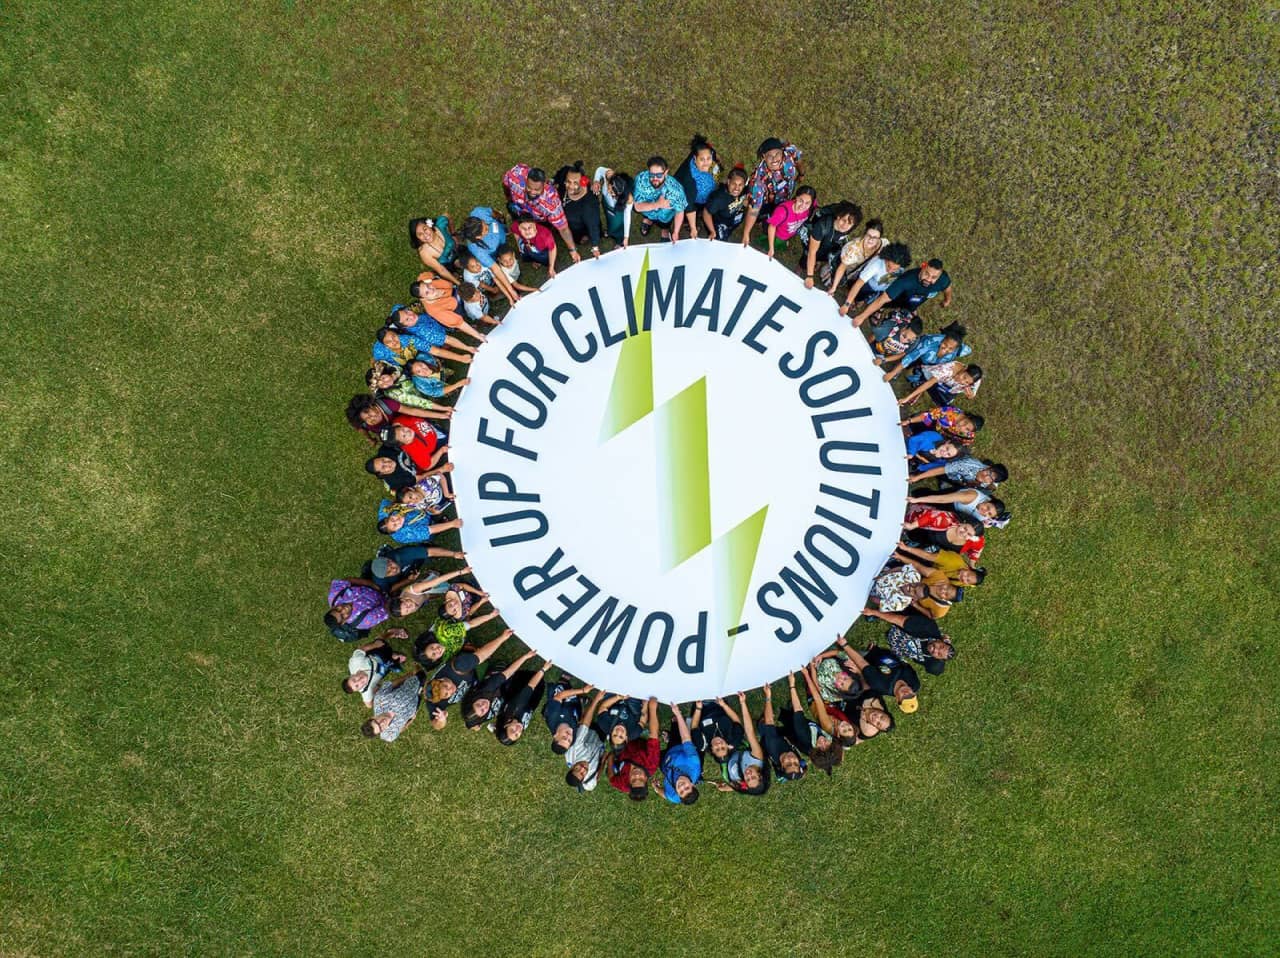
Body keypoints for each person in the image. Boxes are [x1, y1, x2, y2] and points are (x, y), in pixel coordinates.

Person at [424, 630, 513, 729]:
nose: (451, 690)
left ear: (441, 679)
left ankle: (470, 649)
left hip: (470, 668)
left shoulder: (459, 667)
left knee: (499, 670)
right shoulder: (433, 698)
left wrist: (502, 638)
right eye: (446, 695)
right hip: (471, 686)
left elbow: (483, 654)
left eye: (446, 686)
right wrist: (441, 720)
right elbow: (436, 726)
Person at [501, 163, 581, 263]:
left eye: (536, 189)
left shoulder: (551, 204)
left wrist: (573, 250)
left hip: (539, 220)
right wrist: (509, 198)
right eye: (529, 187)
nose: (532, 192)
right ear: (526, 180)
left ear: (544, 185)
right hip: (519, 210)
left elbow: (563, 229)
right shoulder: (515, 175)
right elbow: (506, 182)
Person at [850, 258, 953, 327]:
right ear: (923, 266)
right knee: (891, 302)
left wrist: (947, 300)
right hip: (902, 295)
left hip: (918, 299)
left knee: (912, 305)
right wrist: (862, 317)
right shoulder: (905, 281)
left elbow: (947, 288)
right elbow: (882, 299)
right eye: (927, 274)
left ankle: (911, 309)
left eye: (934, 277)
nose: (929, 279)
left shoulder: (943, 279)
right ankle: (880, 309)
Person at [741, 137, 803, 246]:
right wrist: (746, 233)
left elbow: (798, 160)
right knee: (767, 221)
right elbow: (754, 209)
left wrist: (801, 173)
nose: (774, 159)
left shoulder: (790, 152)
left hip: (786, 194)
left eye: (777, 154)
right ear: (764, 157)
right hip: (767, 202)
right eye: (770, 156)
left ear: (782, 152)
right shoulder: (758, 180)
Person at [778, 672, 843, 775]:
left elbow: (798, 710)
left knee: (788, 719)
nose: (822, 742)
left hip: (795, 730)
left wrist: (792, 685)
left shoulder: (805, 735)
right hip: (805, 725)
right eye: (827, 745)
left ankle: (781, 715)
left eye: (820, 747)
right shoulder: (832, 739)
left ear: (815, 750)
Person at [863, 607, 956, 676]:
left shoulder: (934, 664)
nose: (935, 650)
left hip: (900, 647)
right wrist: (874, 612)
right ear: (940, 641)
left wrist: (945, 644)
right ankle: (885, 610)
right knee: (892, 613)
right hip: (903, 618)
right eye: (940, 646)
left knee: (894, 667)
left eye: (939, 654)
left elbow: (938, 669)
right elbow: (898, 619)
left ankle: (873, 653)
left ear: (939, 659)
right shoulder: (927, 627)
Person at [462, 647, 539, 730]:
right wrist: (472, 725)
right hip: (503, 692)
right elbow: (472, 722)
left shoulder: (487, 688)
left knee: (511, 674)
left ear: (474, 701)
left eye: (479, 704)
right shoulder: (480, 717)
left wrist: (526, 656)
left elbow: (508, 672)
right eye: (483, 710)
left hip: (500, 674)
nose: (484, 705)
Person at [459, 206, 521, 303]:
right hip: (496, 253)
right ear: (479, 237)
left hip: (502, 236)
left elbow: (493, 213)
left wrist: (500, 217)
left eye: (485, 223)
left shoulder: (479, 212)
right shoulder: (477, 249)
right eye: (486, 230)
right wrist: (510, 290)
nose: (488, 226)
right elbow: (495, 268)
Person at [713, 692, 769, 795]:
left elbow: (742, 788)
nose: (748, 775)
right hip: (734, 745)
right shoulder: (757, 758)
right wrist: (743, 703)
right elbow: (749, 732)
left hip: (723, 756)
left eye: (748, 779)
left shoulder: (742, 783)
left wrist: (727, 788)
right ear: (760, 776)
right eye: (753, 777)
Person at [882, 322, 971, 384]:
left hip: (931, 364)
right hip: (920, 355)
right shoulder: (929, 342)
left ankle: (918, 373)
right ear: (943, 339)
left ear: (956, 348)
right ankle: (899, 368)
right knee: (911, 360)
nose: (946, 349)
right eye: (945, 344)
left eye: (951, 348)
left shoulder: (958, 350)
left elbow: (968, 350)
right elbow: (911, 357)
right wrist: (893, 373)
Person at [607, 697, 661, 800]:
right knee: (639, 712)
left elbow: (611, 779)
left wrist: (610, 759)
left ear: (629, 782)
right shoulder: (651, 765)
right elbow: (654, 735)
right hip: (637, 736)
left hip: (622, 743)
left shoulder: (623, 784)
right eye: (640, 779)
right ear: (646, 779)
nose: (636, 775)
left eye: (633, 780)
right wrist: (652, 708)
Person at [841, 241, 912, 317]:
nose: (890, 271)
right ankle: (857, 298)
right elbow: (859, 283)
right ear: (886, 258)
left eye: (895, 269)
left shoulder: (901, 266)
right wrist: (847, 304)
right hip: (867, 285)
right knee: (861, 293)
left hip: (881, 287)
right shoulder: (876, 264)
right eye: (888, 266)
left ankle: (864, 299)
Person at [841, 646, 920, 714]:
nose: (906, 693)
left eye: (904, 697)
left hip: (867, 659)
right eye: (911, 695)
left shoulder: (881, 685)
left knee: (842, 655)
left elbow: (862, 663)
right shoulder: (915, 684)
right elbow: (906, 665)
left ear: (897, 699)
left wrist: (845, 645)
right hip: (883, 653)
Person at [800, 201, 862, 288]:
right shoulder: (822, 226)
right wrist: (810, 276)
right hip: (813, 242)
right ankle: (800, 267)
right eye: (844, 220)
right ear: (838, 216)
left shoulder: (846, 229)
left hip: (827, 244)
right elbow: (812, 252)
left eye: (849, 224)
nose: (845, 226)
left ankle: (818, 260)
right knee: (806, 258)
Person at [410, 276, 489, 343]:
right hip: (453, 314)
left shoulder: (430, 284)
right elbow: (459, 323)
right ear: (423, 299)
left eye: (428, 286)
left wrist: (430, 281)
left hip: (455, 296)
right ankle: (461, 327)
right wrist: (478, 336)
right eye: (427, 293)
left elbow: (449, 285)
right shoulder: (436, 311)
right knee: (461, 319)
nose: (431, 289)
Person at [672, 134, 720, 240]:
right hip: (688, 195)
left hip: (703, 190)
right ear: (695, 158)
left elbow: (713, 157)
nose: (706, 163)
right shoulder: (689, 181)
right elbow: (689, 206)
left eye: (709, 158)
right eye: (702, 160)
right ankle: (687, 222)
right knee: (689, 206)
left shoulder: (708, 154)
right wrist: (693, 228)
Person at [364, 363, 457, 416]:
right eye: (381, 385)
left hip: (423, 384)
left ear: (385, 373)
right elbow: (419, 402)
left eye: (383, 378)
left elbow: (400, 369)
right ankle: (443, 390)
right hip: (423, 399)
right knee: (418, 380)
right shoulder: (395, 393)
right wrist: (443, 408)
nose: (386, 382)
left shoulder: (395, 371)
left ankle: (441, 375)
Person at [495, 660, 552, 745]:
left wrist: (543, 669)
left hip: (526, 680)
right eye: (517, 735)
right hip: (530, 696)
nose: (517, 730)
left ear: (506, 725)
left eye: (512, 730)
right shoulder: (513, 722)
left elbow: (531, 685)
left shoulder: (515, 709)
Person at [361, 669, 426, 743]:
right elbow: (400, 730)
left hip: (412, 684)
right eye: (381, 728)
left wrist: (410, 674)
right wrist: (411, 720)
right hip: (415, 705)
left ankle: (417, 668)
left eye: (377, 722)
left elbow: (394, 684)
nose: (382, 723)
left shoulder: (380, 698)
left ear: (373, 717)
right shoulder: (389, 735)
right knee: (424, 691)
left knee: (422, 673)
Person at [631, 156, 688, 240]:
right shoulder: (641, 180)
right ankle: (648, 220)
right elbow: (637, 207)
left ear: (666, 172)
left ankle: (665, 230)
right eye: (652, 174)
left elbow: (680, 211)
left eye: (659, 175)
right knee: (646, 214)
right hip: (647, 211)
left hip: (664, 217)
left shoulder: (676, 190)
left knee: (665, 223)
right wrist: (658, 204)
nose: (655, 178)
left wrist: (676, 232)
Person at [368, 544, 462, 593]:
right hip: (404, 577)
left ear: (389, 559)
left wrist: (454, 554)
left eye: (391, 565)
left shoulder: (401, 555)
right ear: (384, 577)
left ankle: (423, 551)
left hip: (411, 564)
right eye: (389, 572)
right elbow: (390, 589)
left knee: (425, 551)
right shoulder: (379, 580)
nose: (393, 570)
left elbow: (429, 552)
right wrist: (408, 581)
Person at [657, 702, 701, 804]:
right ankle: (672, 733)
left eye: (681, 791)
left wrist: (656, 788)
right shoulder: (693, 762)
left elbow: (666, 795)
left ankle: (669, 738)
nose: (681, 786)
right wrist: (678, 713)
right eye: (687, 788)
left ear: (677, 793)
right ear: (692, 784)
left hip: (665, 764)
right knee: (675, 720)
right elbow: (685, 738)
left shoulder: (674, 796)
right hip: (678, 747)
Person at [555, 162, 603, 257]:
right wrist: (553, 181)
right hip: (563, 220)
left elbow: (593, 225)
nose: (570, 186)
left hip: (577, 228)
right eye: (568, 181)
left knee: (580, 237)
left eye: (575, 183)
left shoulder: (589, 204)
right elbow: (561, 172)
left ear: (583, 182)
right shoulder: (565, 176)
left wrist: (595, 247)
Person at [759, 684, 806, 781]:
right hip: (784, 737)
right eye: (796, 763)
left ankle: (760, 721)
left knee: (765, 721)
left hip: (770, 735)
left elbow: (769, 721)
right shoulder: (797, 759)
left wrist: (768, 696)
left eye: (788, 764)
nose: (792, 759)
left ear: (782, 765)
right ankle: (787, 713)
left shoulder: (773, 746)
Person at [828, 218, 886, 294]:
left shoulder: (883, 244)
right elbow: (842, 267)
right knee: (837, 281)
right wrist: (834, 287)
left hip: (862, 270)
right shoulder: (853, 248)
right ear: (864, 234)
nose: (871, 240)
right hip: (849, 269)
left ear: (879, 238)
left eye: (875, 237)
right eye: (868, 235)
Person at [343, 637, 407, 706]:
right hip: (381, 670)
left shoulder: (356, 661)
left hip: (375, 655)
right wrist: (379, 695)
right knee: (395, 667)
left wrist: (375, 645)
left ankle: (390, 634)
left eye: (354, 679)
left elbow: (362, 649)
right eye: (357, 686)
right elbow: (369, 705)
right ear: (359, 689)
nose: (359, 680)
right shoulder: (366, 691)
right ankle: (392, 659)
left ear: (352, 675)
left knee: (381, 642)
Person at [565, 690, 607, 792]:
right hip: (599, 740)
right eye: (582, 774)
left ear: (571, 767)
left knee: (582, 722)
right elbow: (597, 776)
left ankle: (582, 705)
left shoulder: (574, 750)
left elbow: (585, 724)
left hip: (590, 730)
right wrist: (603, 760)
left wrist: (596, 699)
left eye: (577, 769)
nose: (583, 769)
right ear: (584, 779)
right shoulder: (590, 784)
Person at [910, 489, 1009, 529]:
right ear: (988, 500)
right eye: (987, 507)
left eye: (989, 514)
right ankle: (915, 493)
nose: (985, 512)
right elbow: (942, 499)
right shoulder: (971, 496)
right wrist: (917, 499)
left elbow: (987, 522)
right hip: (953, 501)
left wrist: (986, 523)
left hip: (959, 513)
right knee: (932, 499)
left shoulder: (987, 517)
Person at [376, 498, 460, 545]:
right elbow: (431, 529)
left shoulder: (385, 510)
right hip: (424, 524)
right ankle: (442, 521)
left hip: (418, 508)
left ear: (389, 516)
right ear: (396, 531)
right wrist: (452, 524)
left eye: (392, 519)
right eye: (395, 525)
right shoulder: (405, 534)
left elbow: (388, 501)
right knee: (432, 532)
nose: (397, 521)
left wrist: (402, 502)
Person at [899, 361, 983, 407]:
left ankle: (922, 387)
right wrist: (907, 398)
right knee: (925, 381)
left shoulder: (975, 380)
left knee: (943, 405)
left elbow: (972, 395)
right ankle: (920, 381)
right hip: (933, 378)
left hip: (947, 389)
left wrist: (970, 396)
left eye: (967, 382)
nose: (962, 382)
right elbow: (930, 382)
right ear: (965, 368)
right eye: (964, 377)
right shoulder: (948, 369)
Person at [764, 185, 816, 260]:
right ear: (796, 198)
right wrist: (771, 248)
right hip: (777, 236)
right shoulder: (782, 211)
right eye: (800, 201)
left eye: (807, 203)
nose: (803, 206)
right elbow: (772, 226)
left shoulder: (811, 207)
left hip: (789, 233)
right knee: (769, 245)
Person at [544, 676, 593, 754]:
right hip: (572, 709)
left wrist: (583, 690)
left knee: (559, 689)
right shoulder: (572, 739)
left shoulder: (552, 716)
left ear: (555, 735)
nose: (569, 735)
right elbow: (581, 721)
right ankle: (579, 699)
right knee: (577, 714)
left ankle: (563, 680)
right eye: (569, 740)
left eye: (564, 737)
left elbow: (559, 696)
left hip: (560, 698)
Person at [701, 166, 750, 241]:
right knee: (719, 241)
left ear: (744, 185)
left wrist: (746, 202)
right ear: (728, 182)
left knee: (727, 233)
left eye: (740, 185)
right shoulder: (719, 198)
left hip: (733, 218)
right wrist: (712, 231)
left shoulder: (746, 190)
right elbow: (706, 213)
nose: (736, 188)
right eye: (734, 184)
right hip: (718, 223)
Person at [592, 167, 634, 248]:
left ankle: (619, 240)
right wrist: (596, 181)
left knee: (617, 225)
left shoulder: (628, 199)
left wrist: (626, 237)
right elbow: (599, 170)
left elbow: (627, 217)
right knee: (609, 219)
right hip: (606, 204)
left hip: (618, 211)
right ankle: (610, 231)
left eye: (612, 193)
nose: (608, 191)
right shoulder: (609, 175)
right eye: (609, 187)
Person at [408, 216, 458, 284]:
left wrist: (453, 234)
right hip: (448, 268)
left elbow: (447, 216)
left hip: (459, 250)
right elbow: (442, 270)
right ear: (417, 238)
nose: (425, 235)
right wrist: (458, 283)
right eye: (420, 234)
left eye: (425, 229)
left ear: (429, 226)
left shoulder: (440, 225)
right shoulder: (424, 252)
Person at [903, 405, 984, 445]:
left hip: (940, 436)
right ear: (967, 416)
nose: (962, 426)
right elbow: (928, 416)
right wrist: (909, 421)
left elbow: (963, 443)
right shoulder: (949, 412)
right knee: (910, 428)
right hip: (931, 423)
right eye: (965, 422)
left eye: (967, 429)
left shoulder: (968, 436)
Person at [911, 458, 1007, 491]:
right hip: (951, 469)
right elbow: (942, 470)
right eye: (989, 473)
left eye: (991, 478)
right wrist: (918, 477)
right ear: (987, 467)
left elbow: (993, 486)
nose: (986, 477)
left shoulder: (989, 483)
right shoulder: (966, 465)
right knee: (940, 467)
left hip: (960, 481)